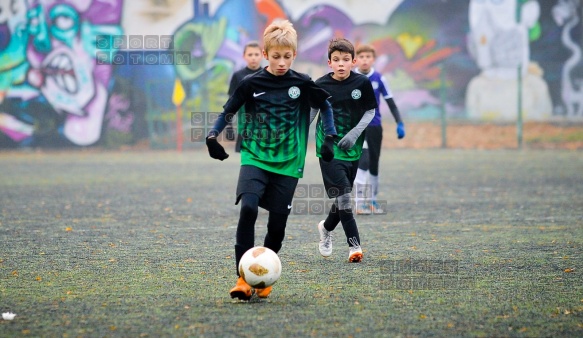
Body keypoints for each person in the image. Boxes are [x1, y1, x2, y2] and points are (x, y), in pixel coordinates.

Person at [205, 19, 337, 300]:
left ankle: (264, 276)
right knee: (248, 208)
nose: (281, 62)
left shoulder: (301, 82)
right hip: (255, 155)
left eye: (287, 57)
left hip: (289, 161)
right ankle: (243, 279)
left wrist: (329, 138)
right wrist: (211, 136)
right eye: (276, 56)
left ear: (294, 55)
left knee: (277, 225)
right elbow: (227, 111)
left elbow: (325, 106)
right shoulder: (250, 82)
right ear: (265, 54)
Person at [312, 38, 378, 263]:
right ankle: (354, 247)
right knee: (346, 198)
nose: (341, 64)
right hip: (328, 149)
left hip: (352, 149)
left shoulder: (362, 83)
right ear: (329, 62)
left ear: (354, 61)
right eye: (336, 60)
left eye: (346, 60)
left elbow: (369, 112)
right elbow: (311, 113)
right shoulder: (320, 84)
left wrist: (353, 135)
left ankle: (326, 227)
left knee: (343, 197)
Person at [353, 44, 405, 215]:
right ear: (356, 60)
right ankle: (359, 203)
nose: (365, 60)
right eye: (361, 57)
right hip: (357, 128)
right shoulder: (351, 78)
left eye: (368, 57)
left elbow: (390, 102)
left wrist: (399, 122)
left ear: (373, 59)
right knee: (363, 161)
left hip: (375, 127)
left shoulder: (379, 78)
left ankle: (372, 200)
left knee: (374, 164)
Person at [225, 41, 263, 152]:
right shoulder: (238, 76)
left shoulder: (267, 75)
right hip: (244, 128)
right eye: (250, 55)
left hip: (265, 129)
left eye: (256, 54)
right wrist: (229, 126)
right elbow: (230, 104)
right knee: (247, 163)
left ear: (262, 55)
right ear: (244, 56)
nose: (253, 58)